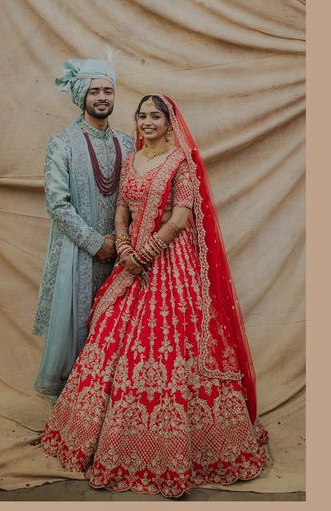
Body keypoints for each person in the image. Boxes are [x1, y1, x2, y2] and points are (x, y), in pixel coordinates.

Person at [40, 95, 268, 498]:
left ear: (169, 122)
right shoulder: (133, 160)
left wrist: (146, 251)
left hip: (169, 262)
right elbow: (121, 212)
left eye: (155, 117)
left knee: (172, 343)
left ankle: (175, 449)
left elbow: (181, 216)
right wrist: (125, 248)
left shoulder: (178, 162)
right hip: (132, 261)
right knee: (110, 339)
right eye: (142, 116)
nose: (147, 122)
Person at [33, 59, 135, 405]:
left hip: (123, 252)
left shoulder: (129, 143)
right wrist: (95, 243)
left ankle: (108, 407)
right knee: (76, 326)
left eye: (108, 90)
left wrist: (121, 243)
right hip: (77, 254)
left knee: (117, 326)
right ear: (82, 96)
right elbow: (57, 204)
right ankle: (71, 411)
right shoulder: (62, 143)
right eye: (95, 91)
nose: (102, 97)